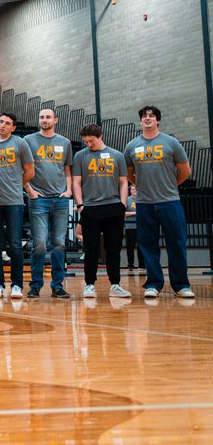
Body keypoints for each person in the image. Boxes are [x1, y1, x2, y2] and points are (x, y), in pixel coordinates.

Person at [125, 105, 194, 299]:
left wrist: (171, 185)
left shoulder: (171, 142)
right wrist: (139, 185)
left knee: (176, 243)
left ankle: (181, 285)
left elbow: (185, 171)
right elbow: (129, 173)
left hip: (170, 201)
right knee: (148, 245)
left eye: (151, 116)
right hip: (144, 203)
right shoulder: (131, 146)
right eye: (144, 116)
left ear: (158, 120)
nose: (147, 118)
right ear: (140, 121)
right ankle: (153, 284)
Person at [72, 123, 130, 300]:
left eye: (91, 141)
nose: (88, 144)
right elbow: (76, 182)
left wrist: (123, 204)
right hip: (90, 207)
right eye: (86, 141)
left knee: (113, 248)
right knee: (91, 248)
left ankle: (115, 285)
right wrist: (80, 205)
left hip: (114, 206)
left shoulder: (117, 155)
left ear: (100, 136)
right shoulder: (80, 156)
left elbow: (123, 182)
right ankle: (89, 285)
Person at [0, 113, 34, 298]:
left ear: (13, 128)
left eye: (7, 123)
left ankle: (17, 285)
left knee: (15, 246)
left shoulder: (20, 143)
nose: (2, 125)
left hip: (14, 202)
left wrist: (17, 185)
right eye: (0, 121)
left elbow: (30, 171)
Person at [24, 107, 73, 299]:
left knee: (59, 244)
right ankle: (35, 285)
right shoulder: (29, 140)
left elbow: (67, 169)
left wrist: (68, 191)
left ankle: (57, 285)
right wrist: (29, 190)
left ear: (55, 120)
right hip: (39, 200)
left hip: (60, 199)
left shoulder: (65, 142)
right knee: (39, 245)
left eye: (48, 117)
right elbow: (22, 168)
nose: (44, 120)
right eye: (42, 117)